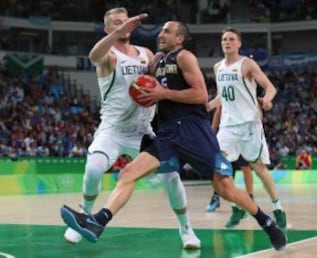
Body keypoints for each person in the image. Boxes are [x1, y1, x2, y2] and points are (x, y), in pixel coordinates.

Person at [60, 20, 286, 251]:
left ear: (179, 38)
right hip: (167, 133)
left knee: (225, 188)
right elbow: (127, 71)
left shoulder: (185, 57)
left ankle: (266, 222)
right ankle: (99, 221)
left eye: (167, 32)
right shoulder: (156, 60)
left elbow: (200, 95)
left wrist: (163, 93)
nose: (161, 34)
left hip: (194, 132)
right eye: (161, 31)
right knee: (128, 173)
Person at [63, 8, 200, 249]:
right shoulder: (109, 56)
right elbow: (94, 56)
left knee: (171, 177)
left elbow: (164, 78)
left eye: (124, 21)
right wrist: (118, 32)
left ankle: (186, 229)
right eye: (116, 23)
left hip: (143, 130)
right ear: (108, 29)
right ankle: (83, 217)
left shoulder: (147, 54)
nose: (122, 25)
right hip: (113, 129)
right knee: (94, 169)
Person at [208, 27, 287, 229]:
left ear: (239, 43)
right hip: (227, 126)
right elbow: (222, 96)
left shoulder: (247, 64)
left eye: (231, 39)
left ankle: (278, 208)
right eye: (224, 39)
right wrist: (209, 105)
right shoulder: (218, 67)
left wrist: (267, 100)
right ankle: (238, 207)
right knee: (217, 168)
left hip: (250, 124)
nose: (227, 42)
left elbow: (270, 87)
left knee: (259, 168)